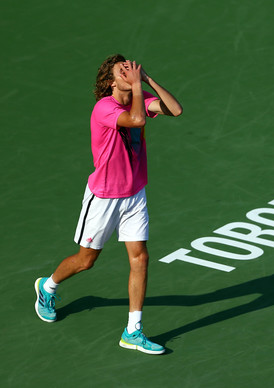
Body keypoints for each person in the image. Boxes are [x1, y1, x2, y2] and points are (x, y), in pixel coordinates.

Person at [34, 54, 182, 355]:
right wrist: (139, 90)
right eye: (122, 69)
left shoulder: (138, 97)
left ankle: (133, 331)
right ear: (111, 81)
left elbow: (176, 110)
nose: (130, 70)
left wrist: (148, 79)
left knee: (140, 258)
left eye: (131, 65)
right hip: (104, 198)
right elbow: (138, 120)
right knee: (87, 260)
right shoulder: (105, 108)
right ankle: (47, 287)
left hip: (134, 194)